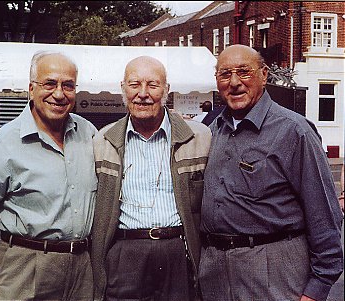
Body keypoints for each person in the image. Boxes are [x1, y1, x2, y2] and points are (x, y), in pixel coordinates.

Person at [199, 44, 343, 301]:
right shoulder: (211, 128)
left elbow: (324, 212)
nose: (234, 83)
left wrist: (317, 287)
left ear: (264, 75)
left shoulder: (293, 131)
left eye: (244, 72)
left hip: (273, 272)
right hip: (216, 274)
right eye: (225, 74)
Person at [0, 51, 98, 301]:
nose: (59, 94)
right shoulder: (4, 143)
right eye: (50, 83)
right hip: (24, 269)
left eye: (68, 85)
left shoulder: (88, 134)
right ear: (31, 89)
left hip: (81, 273)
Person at [92, 55, 211, 301]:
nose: (143, 94)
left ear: (166, 90)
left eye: (153, 85)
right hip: (126, 253)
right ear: (122, 88)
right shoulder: (103, 141)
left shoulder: (200, 138)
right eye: (134, 84)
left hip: (178, 251)